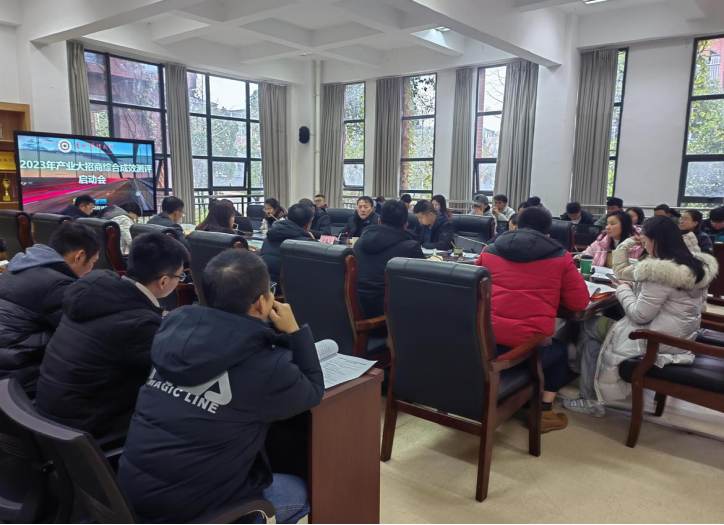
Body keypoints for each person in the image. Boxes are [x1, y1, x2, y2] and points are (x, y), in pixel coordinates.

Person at [118, 249, 324, 525]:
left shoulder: (172, 329)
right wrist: (295, 332)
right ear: (261, 304)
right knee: (299, 490)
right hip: (192, 515)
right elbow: (312, 390)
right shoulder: (265, 364)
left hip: (128, 499)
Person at [35, 233, 189, 439]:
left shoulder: (94, 290)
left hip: (51, 414)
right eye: (180, 276)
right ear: (163, 281)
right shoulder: (139, 325)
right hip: (86, 430)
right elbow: (174, 372)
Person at [565, 217, 718, 418]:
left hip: (653, 340)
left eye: (645, 240)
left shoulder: (659, 273)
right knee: (592, 344)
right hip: (679, 338)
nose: (644, 244)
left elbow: (639, 315)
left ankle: (577, 372)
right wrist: (634, 289)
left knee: (588, 325)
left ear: (656, 240)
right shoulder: (694, 266)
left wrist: (622, 290)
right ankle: (589, 396)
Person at [475, 207, 590, 433]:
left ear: (516, 225)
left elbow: (474, 287)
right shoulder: (560, 256)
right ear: (548, 232)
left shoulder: (490, 250)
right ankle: (544, 413)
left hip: (483, 340)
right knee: (559, 350)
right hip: (525, 347)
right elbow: (579, 303)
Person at [0, 223, 100, 395]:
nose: (92, 268)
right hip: (19, 375)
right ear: (80, 256)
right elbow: (84, 334)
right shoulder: (58, 284)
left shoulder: (20, 266)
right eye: (93, 262)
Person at [355, 200, 424, 319]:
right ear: (405, 225)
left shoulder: (359, 242)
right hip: (389, 316)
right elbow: (426, 280)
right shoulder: (410, 248)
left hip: (355, 310)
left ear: (379, 221)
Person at [261, 204, 317, 288]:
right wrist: (313, 242)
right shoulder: (308, 245)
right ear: (308, 225)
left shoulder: (269, 237)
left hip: (267, 286)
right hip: (288, 290)